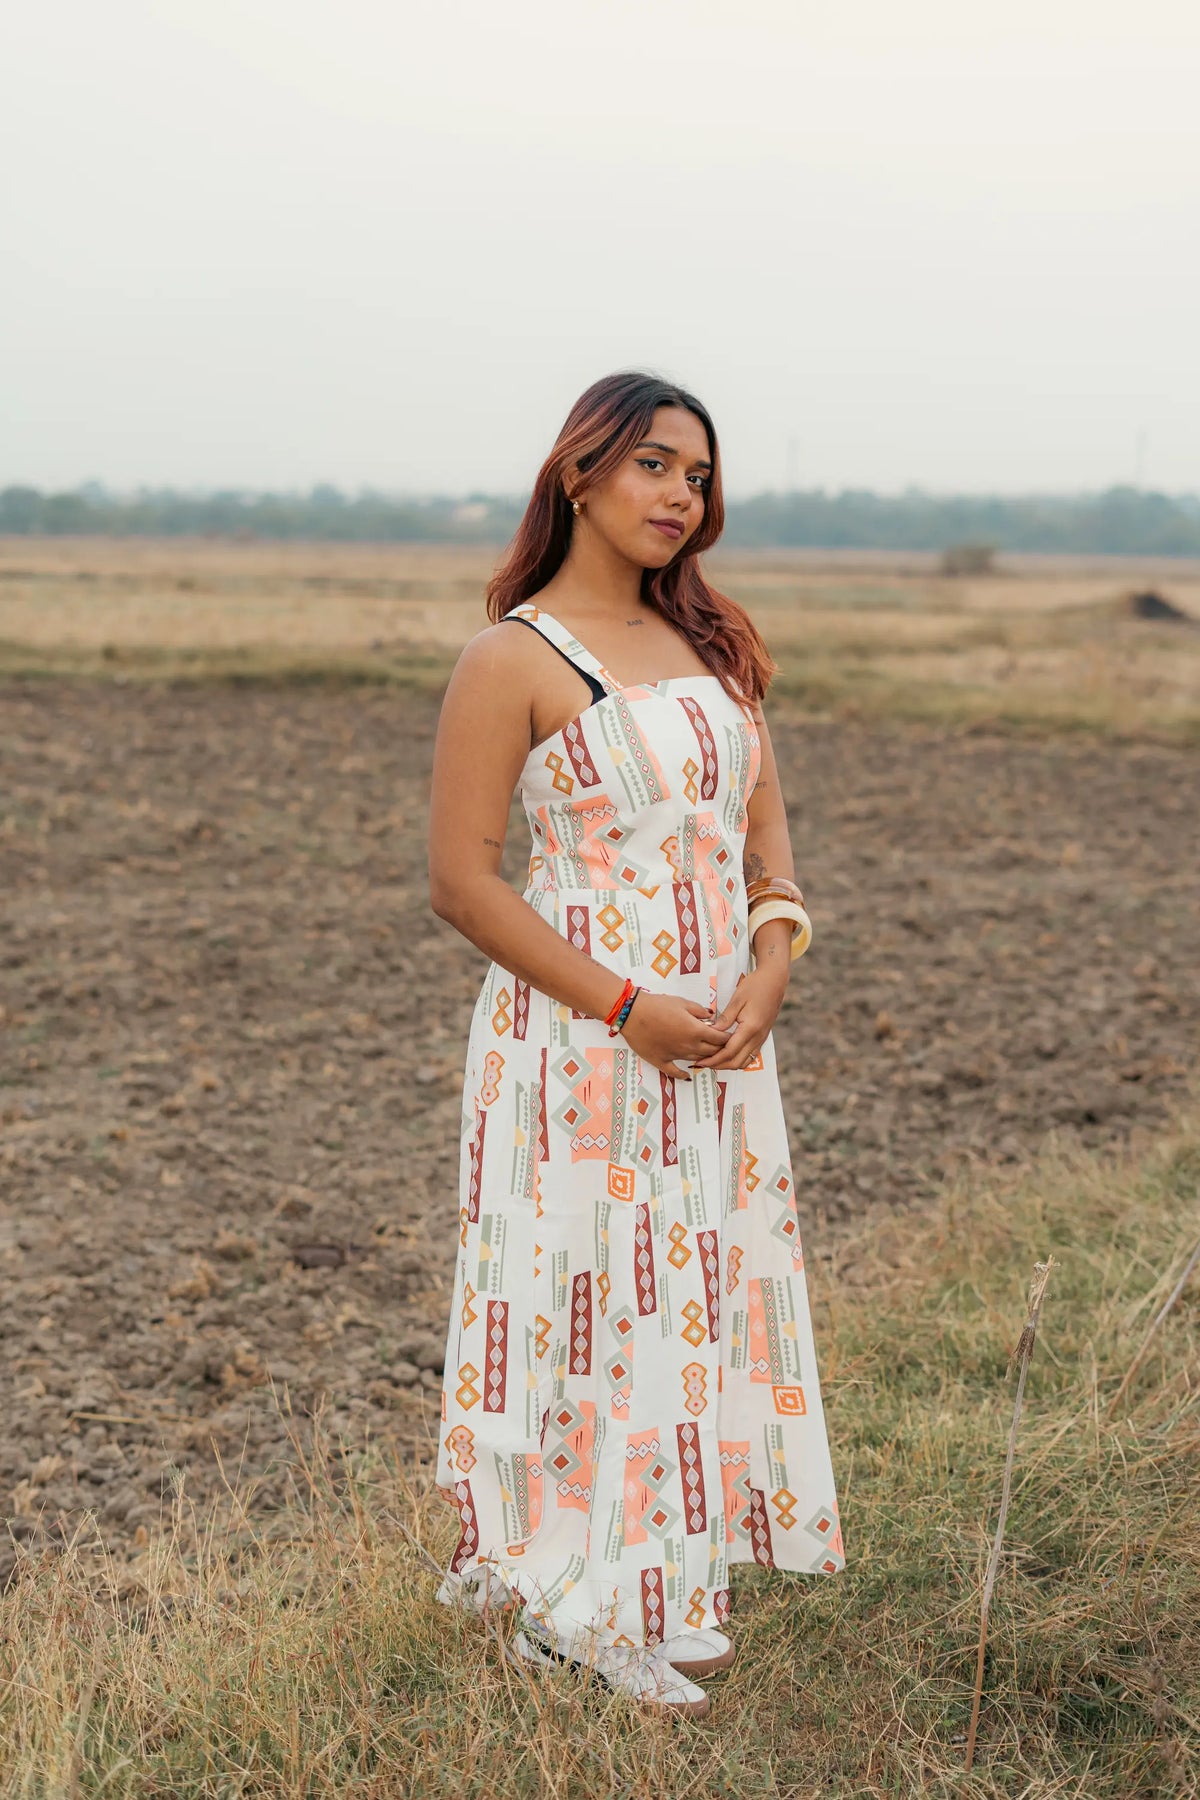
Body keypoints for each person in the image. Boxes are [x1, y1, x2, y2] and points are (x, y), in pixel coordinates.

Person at [427, 370, 843, 1719]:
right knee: (588, 1302)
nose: (679, 495)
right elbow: (463, 882)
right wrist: (623, 1006)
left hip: (720, 1046)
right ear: (580, 474)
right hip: (586, 1043)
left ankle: (659, 1571)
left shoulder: (719, 647)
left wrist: (770, 968)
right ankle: (577, 1596)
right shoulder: (517, 659)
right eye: (655, 466)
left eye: (699, 476)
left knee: (696, 1297)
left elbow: (765, 849)